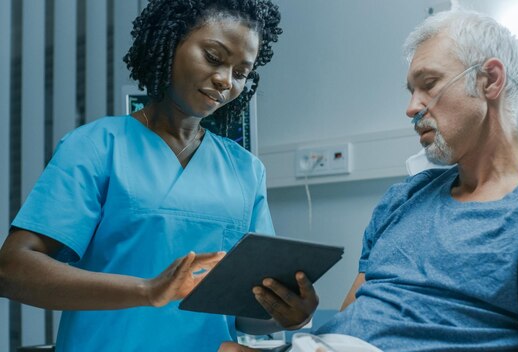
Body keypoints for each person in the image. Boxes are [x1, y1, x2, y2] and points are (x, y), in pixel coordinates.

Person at [220, 9, 518, 352]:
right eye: (411, 90)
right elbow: (353, 319)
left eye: (428, 84)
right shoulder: (405, 198)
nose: (411, 107)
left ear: (490, 80)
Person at [0, 0, 318, 351]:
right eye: (213, 57)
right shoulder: (97, 146)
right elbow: (13, 269)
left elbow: (249, 309)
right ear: (168, 44)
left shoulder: (245, 170)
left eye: (240, 73)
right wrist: (148, 291)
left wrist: (291, 314)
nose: (225, 80)